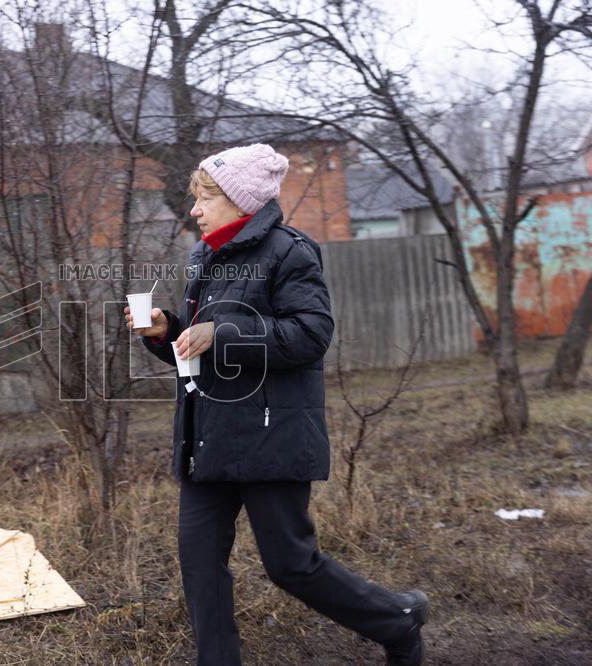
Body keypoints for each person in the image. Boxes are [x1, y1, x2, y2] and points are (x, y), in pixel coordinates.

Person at [123, 142, 429, 665]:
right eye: (195, 198)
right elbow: (201, 352)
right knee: (199, 565)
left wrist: (222, 332)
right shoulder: (206, 256)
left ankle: (397, 621)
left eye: (205, 198)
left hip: (270, 435)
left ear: (242, 202)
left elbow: (310, 335)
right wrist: (168, 332)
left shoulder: (290, 251)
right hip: (208, 438)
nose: (194, 209)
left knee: (291, 565)